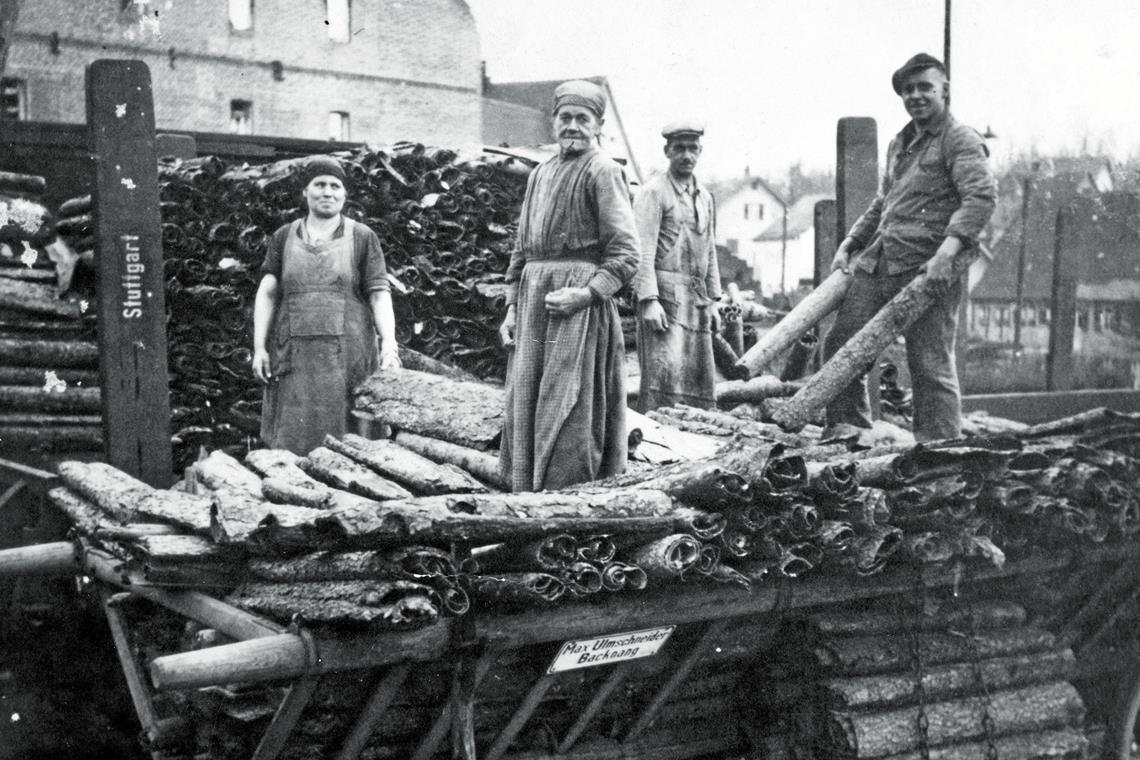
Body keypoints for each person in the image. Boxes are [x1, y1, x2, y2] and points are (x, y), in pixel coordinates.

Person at [823, 53, 996, 441]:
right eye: (908, 89)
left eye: (925, 87)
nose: (916, 96)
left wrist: (946, 256)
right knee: (841, 345)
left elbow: (980, 199)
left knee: (929, 363)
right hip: (879, 262)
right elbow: (883, 202)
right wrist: (851, 243)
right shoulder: (901, 141)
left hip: (927, 270)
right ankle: (847, 434)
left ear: (944, 90)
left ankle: (939, 454)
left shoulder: (960, 139)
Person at [498, 79, 640, 492]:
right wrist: (511, 308)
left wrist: (587, 293)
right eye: (565, 118)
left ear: (598, 125)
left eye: (583, 119)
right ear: (553, 123)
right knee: (526, 401)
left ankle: (571, 499)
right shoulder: (540, 174)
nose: (573, 126)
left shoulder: (604, 171)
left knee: (573, 407)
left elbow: (627, 254)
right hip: (534, 304)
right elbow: (521, 249)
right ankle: (526, 496)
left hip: (578, 311)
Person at [252, 157, 400, 455]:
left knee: (352, 443)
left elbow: (379, 294)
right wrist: (259, 348)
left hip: (348, 359)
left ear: (345, 195)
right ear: (305, 192)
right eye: (319, 184)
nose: (328, 192)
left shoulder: (362, 237)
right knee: (292, 443)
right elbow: (267, 293)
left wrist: (389, 344)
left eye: (335, 186)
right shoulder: (283, 237)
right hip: (295, 360)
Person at [633, 120, 721, 413]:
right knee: (664, 377)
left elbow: (709, 248)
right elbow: (641, 250)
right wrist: (649, 300)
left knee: (698, 378)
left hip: (696, 299)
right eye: (679, 148)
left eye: (692, 148)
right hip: (665, 299)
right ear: (667, 151)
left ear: (701, 151)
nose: (687, 155)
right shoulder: (653, 192)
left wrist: (713, 301)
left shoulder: (705, 197)